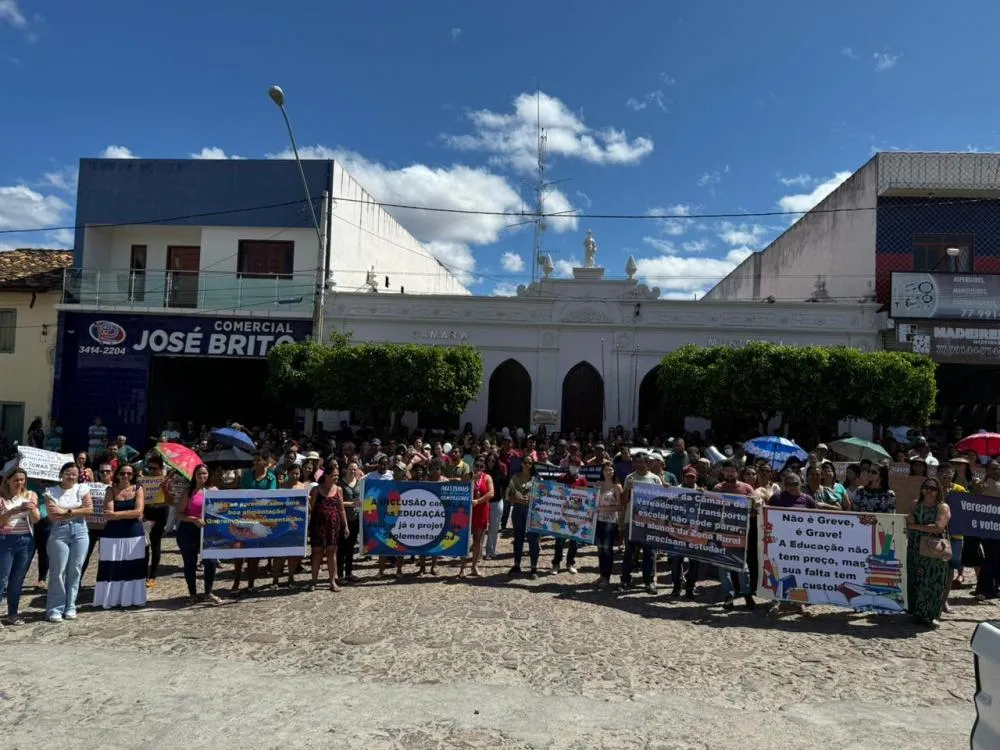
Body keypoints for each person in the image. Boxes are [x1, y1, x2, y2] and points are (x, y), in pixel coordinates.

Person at [44, 462, 93, 623]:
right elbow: (53, 515)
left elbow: (89, 510)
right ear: (61, 474)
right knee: (58, 570)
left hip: (80, 530)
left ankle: (70, 606)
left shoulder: (82, 489)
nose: (71, 476)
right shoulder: (51, 491)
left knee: (75, 569)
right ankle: (55, 608)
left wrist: (66, 511)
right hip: (60, 531)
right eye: (68, 473)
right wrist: (77, 510)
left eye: (74, 473)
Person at [94, 464, 147, 609]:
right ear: (117, 474)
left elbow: (138, 512)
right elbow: (107, 514)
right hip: (112, 534)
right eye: (123, 473)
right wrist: (129, 513)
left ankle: (132, 599)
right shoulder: (110, 490)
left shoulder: (138, 489)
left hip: (133, 534)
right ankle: (111, 599)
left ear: (133, 475)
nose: (126, 476)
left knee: (133, 566)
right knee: (111, 566)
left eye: (129, 474)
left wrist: (117, 514)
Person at [906, 477, 951, 627]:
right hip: (914, 548)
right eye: (926, 487)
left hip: (933, 550)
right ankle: (917, 612)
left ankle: (930, 614)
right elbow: (908, 520)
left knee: (932, 582)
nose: (929, 491)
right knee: (916, 580)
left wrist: (915, 526)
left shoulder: (942, 507)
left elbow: (938, 527)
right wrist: (910, 519)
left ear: (938, 491)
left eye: (933, 488)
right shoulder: (916, 504)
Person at [175, 464, 221, 605]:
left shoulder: (213, 491)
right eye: (199, 474)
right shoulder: (188, 492)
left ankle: (208, 592)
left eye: (205, 474)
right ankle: (193, 594)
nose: (202, 476)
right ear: (194, 475)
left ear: (209, 475)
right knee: (190, 563)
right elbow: (179, 514)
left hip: (208, 530)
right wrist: (193, 519)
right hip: (189, 530)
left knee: (211, 562)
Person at [0, 467, 41, 626]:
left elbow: (36, 519)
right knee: (2, 578)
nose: (19, 483)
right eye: (16, 480)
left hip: (25, 540)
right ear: (8, 480)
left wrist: (32, 509)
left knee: (17, 579)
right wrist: (13, 511)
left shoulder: (30, 495)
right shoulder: (2, 498)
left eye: (22, 479)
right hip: (5, 540)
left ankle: (13, 614)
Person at [309, 461, 349, 591]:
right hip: (317, 525)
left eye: (337, 476)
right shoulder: (316, 489)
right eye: (334, 475)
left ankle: (332, 581)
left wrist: (346, 526)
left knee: (332, 552)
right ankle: (313, 581)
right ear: (326, 475)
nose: (336, 478)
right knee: (317, 552)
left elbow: (341, 509)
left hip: (333, 526)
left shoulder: (338, 490)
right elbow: (311, 508)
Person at [552, 455, 588, 574]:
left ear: (579, 467)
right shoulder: (562, 478)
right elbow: (555, 493)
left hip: (576, 516)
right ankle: (556, 563)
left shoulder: (582, 480)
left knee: (574, 542)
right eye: (572, 465)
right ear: (569, 466)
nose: (574, 467)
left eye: (576, 465)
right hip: (563, 515)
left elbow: (586, 497)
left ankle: (570, 563)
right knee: (559, 541)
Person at [460, 456, 494, 578]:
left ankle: (474, 566)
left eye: (481, 466)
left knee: (478, 541)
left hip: (481, 510)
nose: (479, 468)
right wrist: (471, 478)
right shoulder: (469, 475)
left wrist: (478, 501)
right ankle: (462, 568)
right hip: (468, 511)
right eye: (477, 465)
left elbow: (491, 493)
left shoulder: (487, 477)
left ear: (484, 468)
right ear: (473, 466)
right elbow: (460, 483)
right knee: (464, 540)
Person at [506, 455, 539, 578]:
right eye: (525, 462)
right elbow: (508, 494)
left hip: (532, 512)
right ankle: (517, 564)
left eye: (529, 463)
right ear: (521, 464)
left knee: (533, 540)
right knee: (518, 538)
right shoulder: (515, 477)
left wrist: (531, 499)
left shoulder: (536, 479)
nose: (527, 465)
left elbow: (542, 496)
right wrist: (519, 500)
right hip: (518, 510)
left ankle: (534, 568)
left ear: (532, 465)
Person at [594, 461, 622, 588]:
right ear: (602, 471)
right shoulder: (598, 484)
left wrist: (603, 509)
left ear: (614, 471)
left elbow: (620, 507)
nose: (608, 472)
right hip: (598, 520)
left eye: (610, 470)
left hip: (610, 522)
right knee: (600, 549)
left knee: (607, 549)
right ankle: (601, 575)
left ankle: (607, 577)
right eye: (606, 470)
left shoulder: (617, 486)